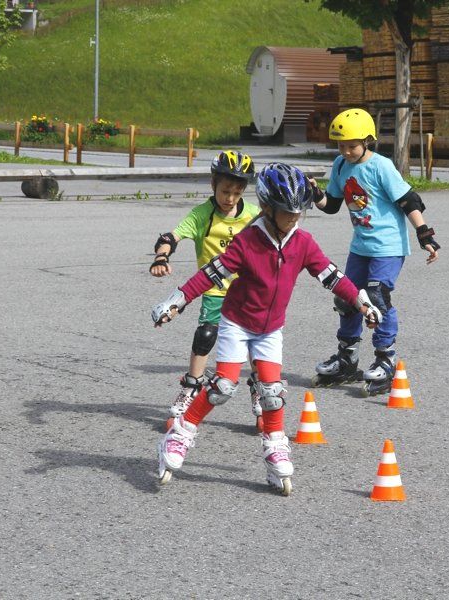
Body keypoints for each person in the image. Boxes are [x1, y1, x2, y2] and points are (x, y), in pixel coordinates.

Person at [150, 163, 383, 495]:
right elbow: (211, 274)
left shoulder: (302, 242)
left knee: (272, 393)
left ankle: (275, 448)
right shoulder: (248, 241)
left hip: (270, 329)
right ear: (268, 208)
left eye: (299, 211)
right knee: (222, 387)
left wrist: (362, 302)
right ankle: (180, 435)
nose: (294, 218)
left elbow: (331, 276)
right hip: (237, 322)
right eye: (287, 212)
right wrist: (177, 301)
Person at [310, 108, 441, 396]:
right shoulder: (340, 165)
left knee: (377, 296)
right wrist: (316, 194)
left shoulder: (381, 166)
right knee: (347, 297)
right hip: (360, 247)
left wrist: (424, 234)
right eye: (341, 146)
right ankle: (347, 357)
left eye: (352, 146)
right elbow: (332, 205)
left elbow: (409, 200)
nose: (346, 151)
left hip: (388, 247)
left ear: (367, 140)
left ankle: (385, 358)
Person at [149, 151, 260, 427]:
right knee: (206, 335)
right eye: (225, 191)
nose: (230, 198)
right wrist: (161, 257)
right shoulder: (202, 215)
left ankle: (261, 390)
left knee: (254, 342)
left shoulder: (253, 214)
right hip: (215, 289)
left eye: (237, 192)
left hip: (249, 291)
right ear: (213, 184)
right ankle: (192, 387)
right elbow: (171, 237)